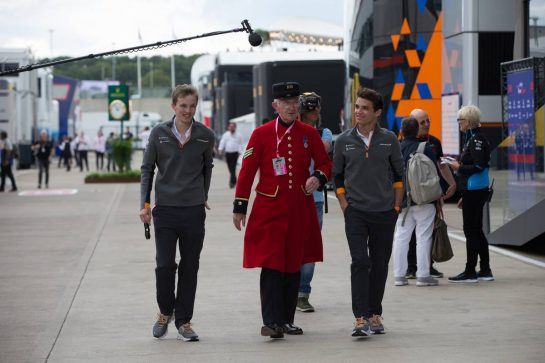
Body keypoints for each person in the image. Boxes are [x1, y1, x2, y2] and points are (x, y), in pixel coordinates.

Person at [232, 82, 331, 339]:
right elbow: (247, 171)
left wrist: (318, 178)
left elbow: (325, 163)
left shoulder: (308, 133)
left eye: (294, 101)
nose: (291, 106)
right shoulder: (261, 134)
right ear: (275, 106)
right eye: (285, 102)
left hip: (299, 208)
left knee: (293, 265)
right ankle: (271, 322)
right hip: (269, 210)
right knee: (272, 265)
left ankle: (286, 320)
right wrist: (239, 206)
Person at [140, 84, 215, 342]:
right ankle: (165, 311)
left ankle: (184, 321)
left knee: (190, 266)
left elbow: (208, 167)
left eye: (192, 106)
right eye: (183, 105)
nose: (187, 110)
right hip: (166, 210)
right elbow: (147, 170)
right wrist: (145, 204)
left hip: (193, 210)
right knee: (164, 265)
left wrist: (203, 195)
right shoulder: (158, 133)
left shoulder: (205, 135)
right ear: (174, 106)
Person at [332, 87, 404, 337]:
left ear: (377, 113)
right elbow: (337, 177)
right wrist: (345, 205)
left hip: (385, 212)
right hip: (356, 213)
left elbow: (398, 175)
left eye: (364, 108)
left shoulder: (389, 139)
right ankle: (360, 317)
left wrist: (396, 206)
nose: (359, 112)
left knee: (380, 264)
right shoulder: (342, 141)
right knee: (360, 262)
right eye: (357, 107)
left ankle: (375, 313)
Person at [405, 109, 457, 279]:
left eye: (428, 120)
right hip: (411, 196)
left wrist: (452, 184)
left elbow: (441, 165)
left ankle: (428, 266)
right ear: (413, 124)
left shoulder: (434, 142)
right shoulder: (404, 143)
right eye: (422, 122)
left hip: (431, 194)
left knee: (430, 231)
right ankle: (411, 267)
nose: (427, 124)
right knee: (411, 233)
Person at [446, 105, 494, 283]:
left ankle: (470, 271)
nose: (458, 123)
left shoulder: (476, 140)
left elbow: (479, 166)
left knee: (471, 230)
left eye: (460, 120)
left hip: (475, 190)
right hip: (473, 190)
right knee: (476, 230)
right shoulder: (473, 138)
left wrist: (458, 167)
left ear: (468, 121)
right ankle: (485, 269)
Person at [392, 117, 441, 287]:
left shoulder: (396, 148)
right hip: (424, 200)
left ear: (402, 132)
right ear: (417, 131)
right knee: (423, 237)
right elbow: (434, 174)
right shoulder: (425, 147)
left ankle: (399, 276)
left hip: (402, 201)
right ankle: (423, 275)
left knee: (400, 237)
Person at [296, 91, 332, 313]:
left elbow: (321, 150)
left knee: (309, 247)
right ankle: (289, 289)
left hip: (315, 199)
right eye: (308, 108)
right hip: (290, 197)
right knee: (289, 245)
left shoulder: (323, 132)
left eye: (315, 107)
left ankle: (302, 293)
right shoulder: (289, 130)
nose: (313, 112)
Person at [218, 122, 243, 188]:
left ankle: (231, 183)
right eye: (230, 127)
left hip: (235, 153)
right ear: (228, 127)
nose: (231, 128)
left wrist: (240, 151)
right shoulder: (226, 135)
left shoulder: (239, 135)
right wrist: (220, 149)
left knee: (233, 167)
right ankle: (234, 180)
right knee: (230, 168)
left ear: (235, 127)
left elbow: (240, 144)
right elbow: (222, 142)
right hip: (228, 153)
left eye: (233, 127)